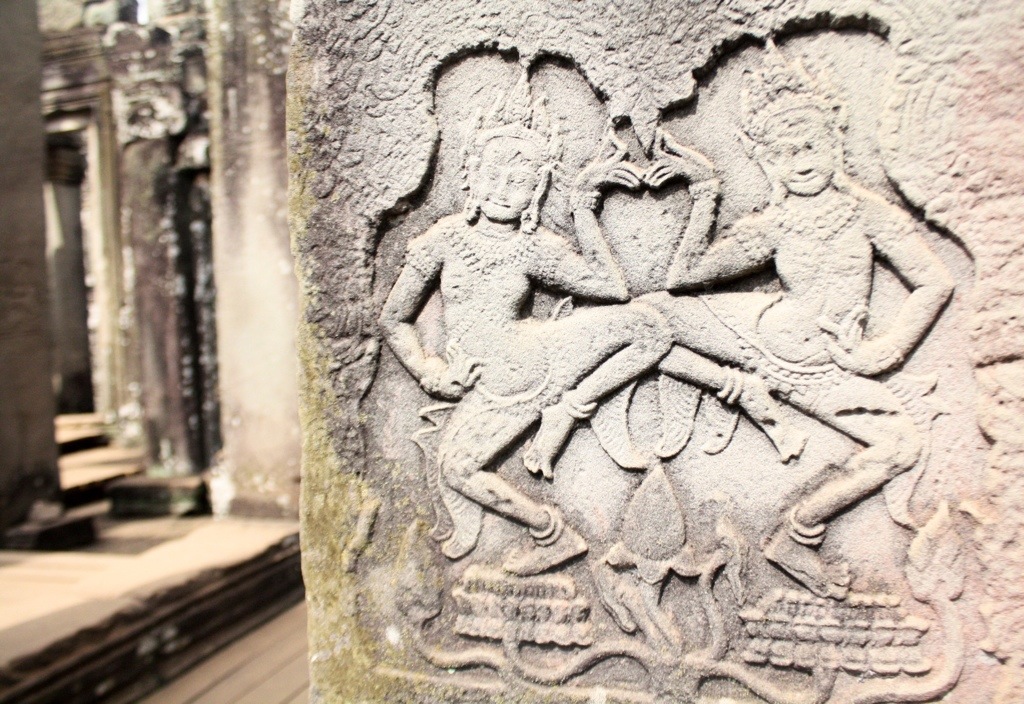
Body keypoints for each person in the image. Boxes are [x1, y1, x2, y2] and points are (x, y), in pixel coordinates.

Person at [646, 42, 955, 598]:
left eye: (811, 144)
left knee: (900, 447)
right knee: (649, 318)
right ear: (767, 162)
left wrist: (884, 351)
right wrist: (706, 191)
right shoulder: (774, 224)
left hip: (824, 367)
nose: (802, 159)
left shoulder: (866, 213)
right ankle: (735, 386)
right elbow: (685, 276)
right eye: (784, 152)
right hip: (760, 333)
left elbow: (935, 282)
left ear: (835, 142)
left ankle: (797, 534)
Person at [379, 72, 674, 576]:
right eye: (494, 176)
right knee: (457, 469)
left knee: (649, 328)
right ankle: (550, 532)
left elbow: (609, 286)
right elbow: (394, 318)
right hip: (488, 382)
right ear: (471, 175)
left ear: (536, 191)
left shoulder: (532, 248)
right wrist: (430, 372)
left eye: (518, 182)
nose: (503, 190)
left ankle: (568, 410)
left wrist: (584, 207)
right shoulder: (444, 240)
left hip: (537, 359)